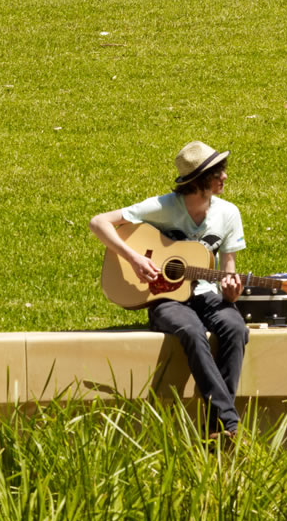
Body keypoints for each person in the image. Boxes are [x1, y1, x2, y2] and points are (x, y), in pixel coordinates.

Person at [88, 141, 247, 442]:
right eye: (219, 173)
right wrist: (133, 258)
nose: (225, 177)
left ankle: (218, 427)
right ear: (199, 180)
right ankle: (228, 424)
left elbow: (228, 270)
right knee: (190, 330)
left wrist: (232, 292)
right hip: (163, 296)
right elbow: (99, 222)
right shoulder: (161, 207)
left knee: (235, 327)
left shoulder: (228, 214)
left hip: (206, 294)